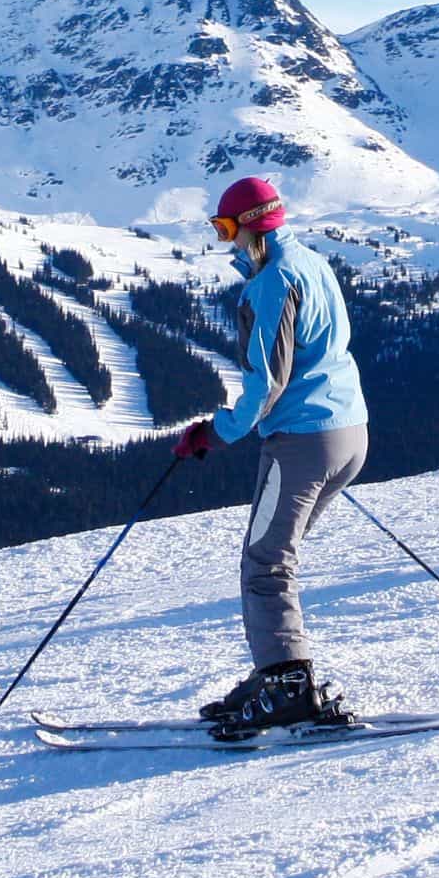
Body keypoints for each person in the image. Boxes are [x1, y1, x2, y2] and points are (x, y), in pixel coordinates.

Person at [171, 176, 370, 734]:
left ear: (249, 227)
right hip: (349, 430)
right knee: (276, 557)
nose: (224, 240)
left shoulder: (272, 284)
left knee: (265, 561)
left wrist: (218, 432)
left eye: (225, 228)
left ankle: (287, 684)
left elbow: (266, 384)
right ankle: (277, 672)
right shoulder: (310, 261)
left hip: (301, 440)